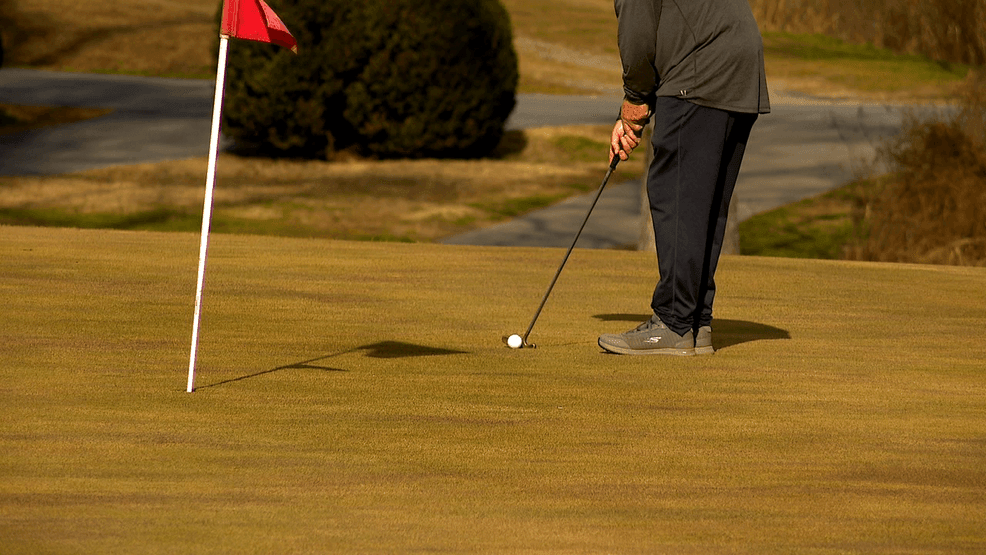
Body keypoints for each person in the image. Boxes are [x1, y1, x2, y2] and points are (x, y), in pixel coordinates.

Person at [598, 0, 770, 356]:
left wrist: (633, 102)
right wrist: (632, 112)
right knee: (704, 202)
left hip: (701, 72)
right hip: (740, 72)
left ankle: (674, 323)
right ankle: (695, 322)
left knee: (674, 195)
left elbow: (639, 37)